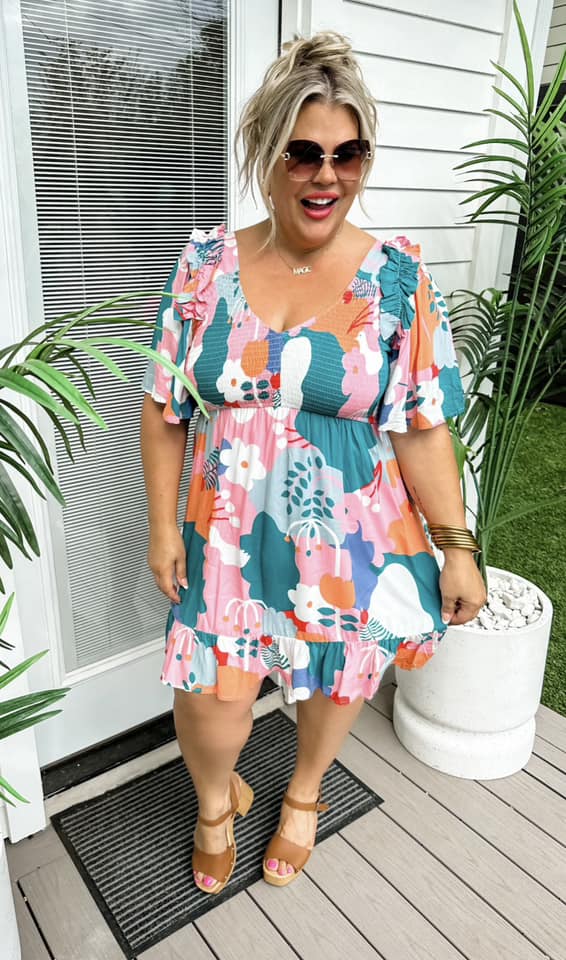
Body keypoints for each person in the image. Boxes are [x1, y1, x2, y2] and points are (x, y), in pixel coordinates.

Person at [140, 31, 487, 894]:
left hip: (353, 536)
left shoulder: (397, 279)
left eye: (347, 153)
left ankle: (303, 795)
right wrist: (161, 528)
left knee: (336, 682)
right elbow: (164, 406)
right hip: (226, 539)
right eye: (302, 153)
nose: (325, 174)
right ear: (266, 154)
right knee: (213, 698)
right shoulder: (205, 268)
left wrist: (458, 546)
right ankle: (214, 803)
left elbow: (422, 426)